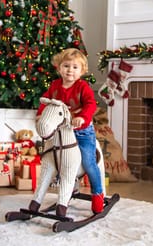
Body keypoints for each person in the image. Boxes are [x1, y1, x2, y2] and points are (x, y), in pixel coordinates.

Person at [36, 48, 104, 213]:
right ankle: (60, 189)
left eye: (75, 67)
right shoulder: (55, 85)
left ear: (82, 71)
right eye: (66, 66)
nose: (70, 70)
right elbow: (46, 102)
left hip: (81, 131)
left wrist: (82, 118)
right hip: (62, 131)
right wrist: (40, 115)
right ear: (59, 68)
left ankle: (97, 192)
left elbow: (90, 104)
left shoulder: (83, 87)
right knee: (52, 156)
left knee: (88, 162)